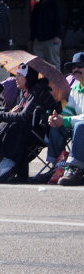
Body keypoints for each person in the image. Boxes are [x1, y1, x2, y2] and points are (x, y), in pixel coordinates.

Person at [0, 64, 60, 183]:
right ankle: (7, 165)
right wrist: (6, 112)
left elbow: (24, 117)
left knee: (14, 127)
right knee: (2, 126)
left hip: (42, 129)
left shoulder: (38, 90)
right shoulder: (26, 91)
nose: (16, 78)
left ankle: (10, 164)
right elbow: (21, 114)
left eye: (20, 75)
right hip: (29, 127)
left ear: (28, 77)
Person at [40, 52, 84, 185]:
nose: (75, 69)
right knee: (57, 126)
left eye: (80, 66)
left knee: (80, 126)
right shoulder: (75, 88)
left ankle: (75, 168)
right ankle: (56, 167)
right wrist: (57, 118)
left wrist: (64, 120)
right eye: (73, 66)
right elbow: (69, 112)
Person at [29, 0, 63, 69]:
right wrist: (32, 39)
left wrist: (57, 35)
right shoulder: (37, 6)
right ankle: (41, 82)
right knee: (38, 63)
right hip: (39, 39)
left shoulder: (55, 5)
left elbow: (58, 21)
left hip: (51, 38)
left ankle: (56, 82)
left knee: (53, 62)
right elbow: (33, 24)